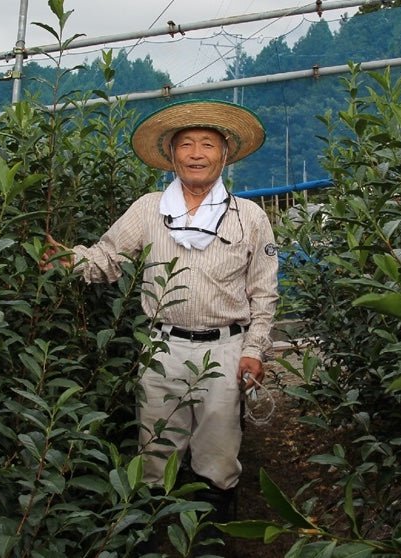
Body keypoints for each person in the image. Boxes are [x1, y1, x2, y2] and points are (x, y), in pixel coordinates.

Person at [42, 99, 278, 540]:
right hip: (162, 348)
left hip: (225, 350)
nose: (195, 153)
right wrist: (67, 261)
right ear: (170, 155)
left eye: (207, 144)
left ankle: (208, 542)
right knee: (155, 452)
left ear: (224, 153)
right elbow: (107, 258)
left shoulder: (250, 218)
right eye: (185, 144)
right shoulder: (150, 208)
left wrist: (253, 351)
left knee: (219, 456)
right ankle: (150, 540)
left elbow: (263, 293)